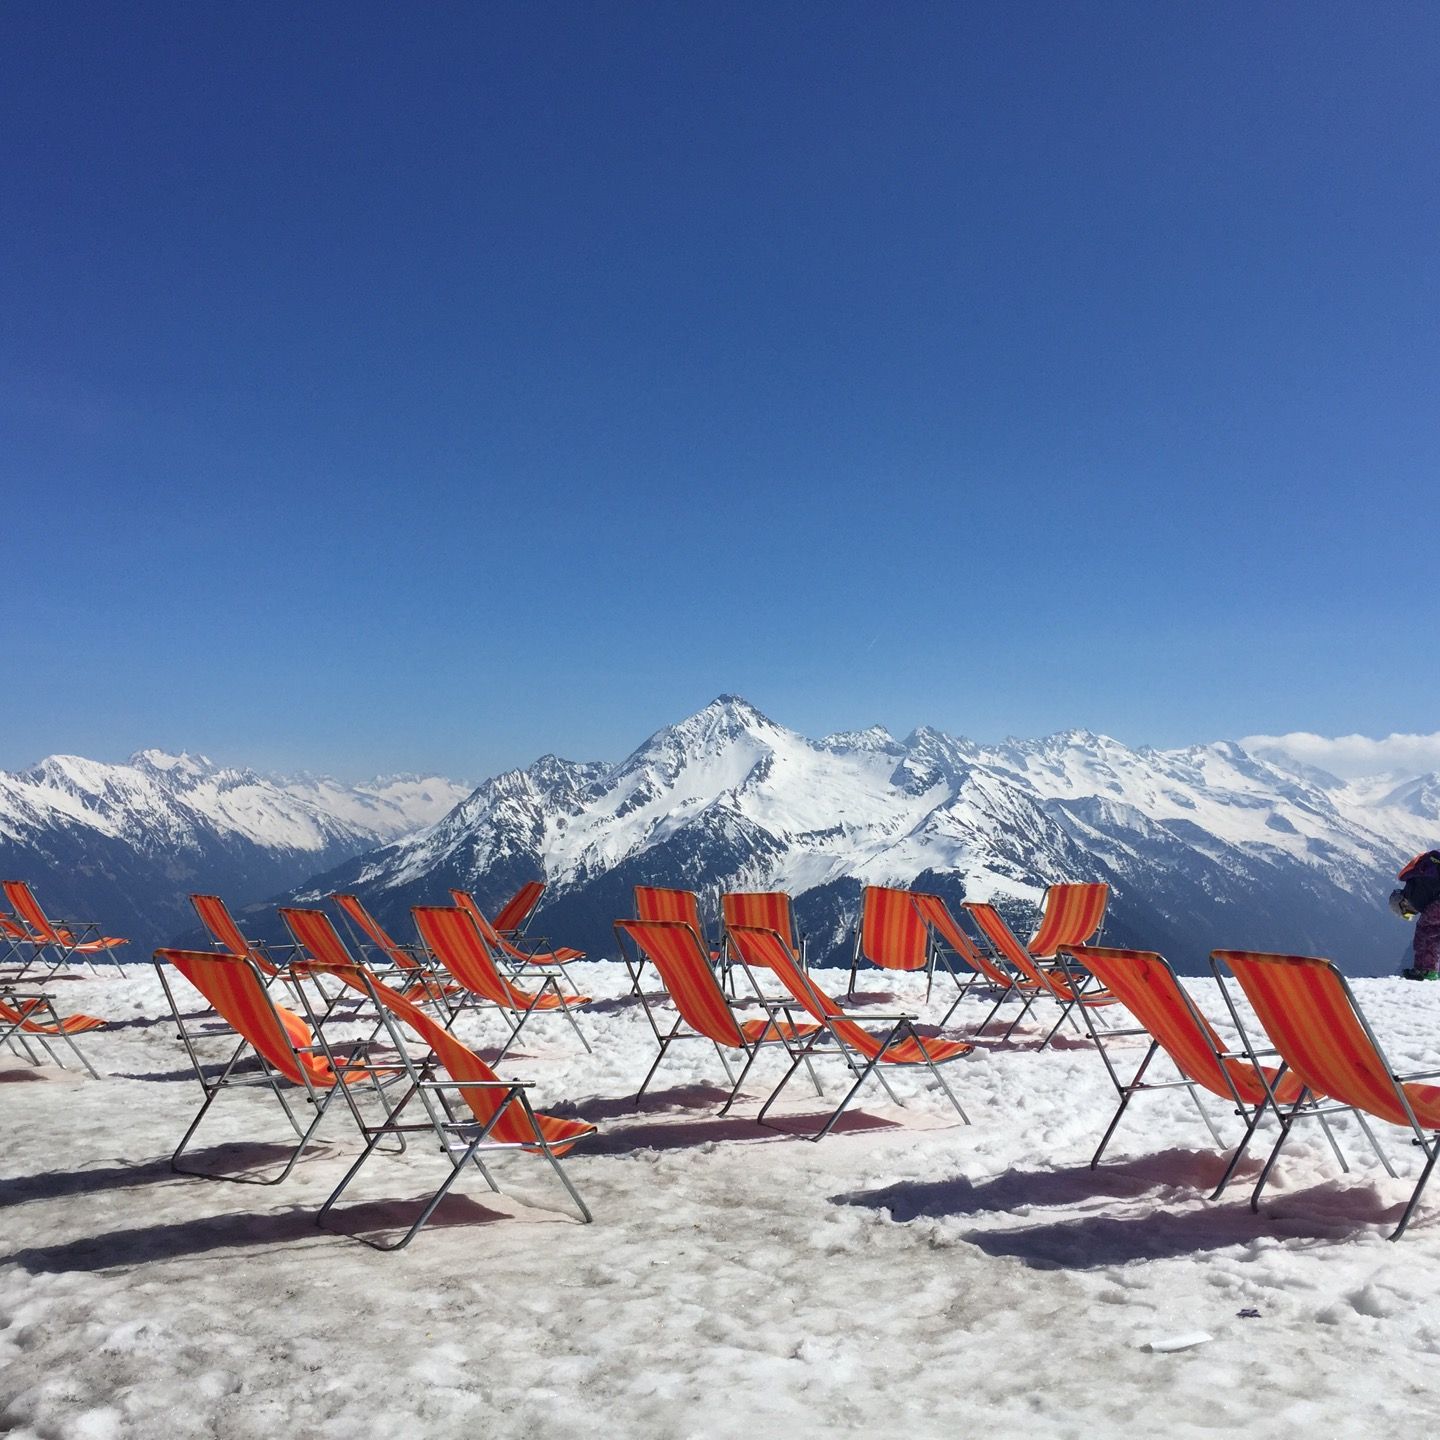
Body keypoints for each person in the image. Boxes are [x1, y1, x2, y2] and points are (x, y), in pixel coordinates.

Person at [1392, 850, 1440, 979]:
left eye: (1406, 914)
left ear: (1402, 903)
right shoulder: (1416, 885)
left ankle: (1426, 971)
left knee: (1425, 930)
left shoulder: (1413, 895)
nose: (1411, 914)